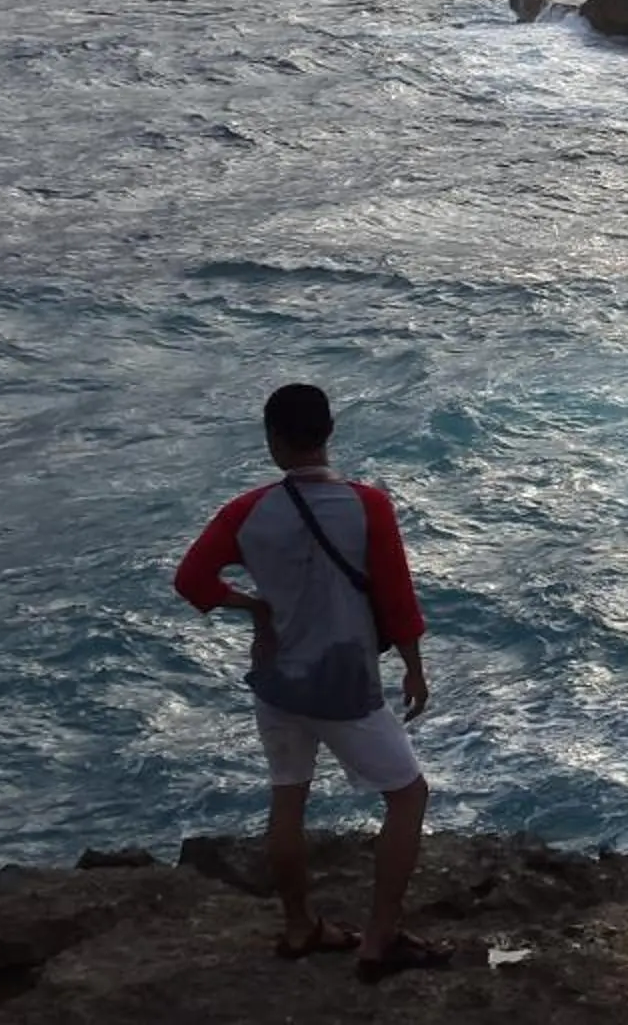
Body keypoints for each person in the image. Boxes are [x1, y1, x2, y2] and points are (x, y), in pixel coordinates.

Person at [173, 383, 450, 979]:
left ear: (273, 440)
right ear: (329, 433)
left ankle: (299, 926)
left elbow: (191, 580)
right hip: (345, 683)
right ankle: (379, 937)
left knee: (287, 798)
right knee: (407, 796)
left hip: (277, 682)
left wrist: (252, 608)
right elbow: (397, 598)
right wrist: (414, 666)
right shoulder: (368, 505)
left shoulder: (246, 512)